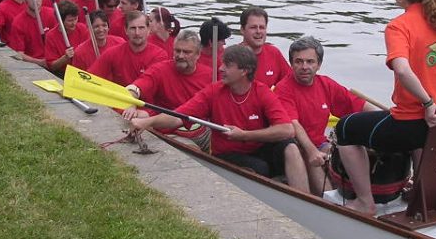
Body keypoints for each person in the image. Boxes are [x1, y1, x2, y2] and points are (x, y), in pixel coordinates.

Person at [335, 0, 436, 215]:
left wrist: (427, 103)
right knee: (418, 136)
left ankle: (364, 202)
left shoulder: (399, 26)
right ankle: (422, 196)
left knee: (345, 129)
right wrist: (433, 104)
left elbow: (402, 70)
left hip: (415, 121)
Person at [131, 45, 309, 193]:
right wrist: (149, 122)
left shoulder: (261, 92)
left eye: (227, 65)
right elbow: (178, 117)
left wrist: (245, 135)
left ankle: (304, 200)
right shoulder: (214, 92)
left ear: (244, 71)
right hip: (228, 154)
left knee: (290, 146)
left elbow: (287, 129)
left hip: (255, 146)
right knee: (261, 168)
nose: (221, 68)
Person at [275, 36, 375, 197]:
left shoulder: (326, 84)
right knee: (315, 166)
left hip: (320, 143)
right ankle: (326, 202)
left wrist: (385, 118)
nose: (304, 67)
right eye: (298, 61)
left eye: (310, 62)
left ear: (319, 65)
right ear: (291, 64)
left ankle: (362, 195)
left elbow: (359, 105)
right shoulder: (283, 89)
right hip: (296, 145)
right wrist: (312, 152)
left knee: (353, 152)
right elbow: (294, 125)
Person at [123, 29, 214, 149]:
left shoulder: (210, 75)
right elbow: (134, 88)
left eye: (187, 52)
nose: (180, 56)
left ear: (198, 54)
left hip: (203, 131)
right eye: (177, 51)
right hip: (172, 132)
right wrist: (131, 104)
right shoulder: (159, 70)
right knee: (192, 150)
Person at [88, 10, 167, 85]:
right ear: (126, 30)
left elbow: (152, 82)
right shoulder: (112, 53)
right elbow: (90, 78)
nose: (137, 33)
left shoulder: (159, 55)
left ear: (149, 30)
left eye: (141, 28)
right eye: (133, 28)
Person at [239, 6, 290, 88]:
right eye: (253, 27)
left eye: (262, 27)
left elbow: (290, 83)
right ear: (242, 30)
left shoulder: (274, 53)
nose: (258, 31)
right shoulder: (232, 56)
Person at [10, 0, 59, 67]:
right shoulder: (18, 22)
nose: (35, 1)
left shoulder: (53, 14)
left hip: (56, 61)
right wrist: (40, 62)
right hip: (35, 64)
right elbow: (19, 54)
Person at [44, 0, 90, 74]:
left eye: (75, 19)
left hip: (82, 72)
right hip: (62, 74)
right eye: (70, 20)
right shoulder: (51, 36)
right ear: (60, 21)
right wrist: (65, 58)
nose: (74, 23)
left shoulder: (82, 29)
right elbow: (52, 66)